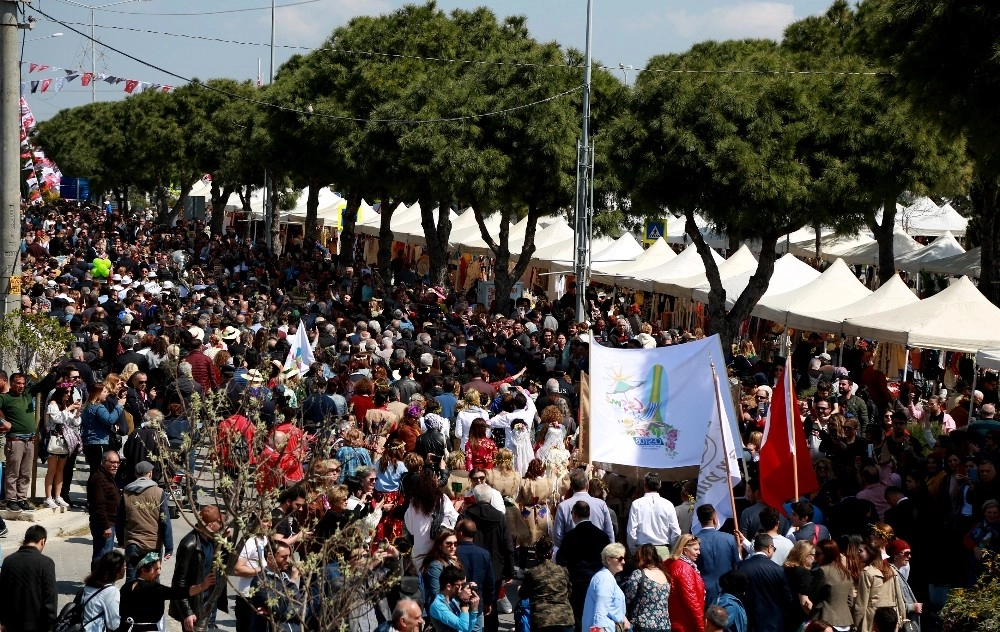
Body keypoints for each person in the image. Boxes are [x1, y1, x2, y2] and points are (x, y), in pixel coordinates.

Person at [170, 505, 228, 632]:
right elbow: (179, 583)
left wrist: (225, 542)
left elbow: (225, 564)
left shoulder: (213, 539)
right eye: (220, 522)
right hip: (195, 607)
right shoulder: (189, 545)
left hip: (211, 603)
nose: (222, 526)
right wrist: (187, 613)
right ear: (211, 525)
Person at [555, 501, 611, 630]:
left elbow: (561, 560)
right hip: (598, 580)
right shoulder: (602, 536)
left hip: (577, 581)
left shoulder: (570, 536)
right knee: (598, 614)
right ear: (589, 514)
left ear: (574, 515)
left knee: (579, 616)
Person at [118, 460, 174, 582]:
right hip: (153, 544)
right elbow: (165, 521)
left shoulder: (127, 493)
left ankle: (130, 601)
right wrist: (169, 546)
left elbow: (120, 519)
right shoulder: (158, 493)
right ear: (150, 473)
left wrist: (121, 540)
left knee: (132, 580)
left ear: (136, 474)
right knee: (153, 578)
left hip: (133, 543)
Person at [0, 525, 57, 632]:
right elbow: (50, 597)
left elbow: (3, 594)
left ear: (25, 540)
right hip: (37, 625)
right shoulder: (46, 563)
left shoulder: (8, 561)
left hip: (12, 625)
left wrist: (3, 622)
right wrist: (51, 625)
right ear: (42, 541)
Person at [0, 373, 43, 511]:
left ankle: (22, 498)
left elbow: (42, 385)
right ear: (11, 383)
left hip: (29, 440)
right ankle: (11, 500)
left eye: (23, 383)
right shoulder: (5, 398)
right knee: (13, 472)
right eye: (18, 383)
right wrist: (3, 421)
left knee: (25, 472)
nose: (21, 386)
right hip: (15, 441)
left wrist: (55, 371)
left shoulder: (27, 395)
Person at [519, 535, 573, 632]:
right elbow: (569, 592)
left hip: (542, 620)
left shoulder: (532, 573)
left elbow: (523, 594)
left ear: (536, 554)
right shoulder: (562, 570)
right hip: (565, 618)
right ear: (552, 553)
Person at [739, 534, 791, 632]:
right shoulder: (778, 570)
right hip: (773, 622)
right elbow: (787, 598)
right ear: (769, 548)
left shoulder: (741, 566)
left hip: (749, 621)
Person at [249, 539, 303, 632]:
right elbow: (279, 608)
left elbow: (303, 609)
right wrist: (293, 581)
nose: (289, 560)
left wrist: (277, 614)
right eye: (284, 557)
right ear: (270, 557)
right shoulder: (261, 581)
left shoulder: (285, 578)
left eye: (289, 556)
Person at [553, 468, 615, 547]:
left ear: (571, 486)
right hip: (597, 554)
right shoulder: (601, 504)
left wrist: (566, 551)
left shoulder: (563, 506)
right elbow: (609, 533)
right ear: (587, 485)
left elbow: (557, 536)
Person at [695, 503, 742, 606]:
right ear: (715, 519)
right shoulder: (729, 539)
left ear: (699, 520)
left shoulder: (693, 542)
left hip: (703, 591)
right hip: (727, 591)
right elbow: (737, 564)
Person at [853, 540, 905, 632]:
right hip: (891, 617)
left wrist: (856, 624)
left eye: (861, 551)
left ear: (870, 553)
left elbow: (861, 603)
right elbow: (899, 597)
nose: (857, 554)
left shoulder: (867, 572)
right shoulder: (891, 570)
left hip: (872, 619)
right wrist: (902, 617)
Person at [43, 383, 81, 508]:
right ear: (60, 393)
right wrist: (69, 409)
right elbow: (57, 419)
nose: (68, 395)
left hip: (65, 441)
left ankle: (58, 496)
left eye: (70, 392)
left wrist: (77, 413)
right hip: (54, 439)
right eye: (66, 392)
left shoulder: (66, 405)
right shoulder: (53, 404)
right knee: (52, 470)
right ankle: (48, 497)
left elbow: (74, 423)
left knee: (61, 470)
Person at [453, 519, 495, 632]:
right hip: (476, 603)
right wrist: (488, 602)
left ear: (460, 533)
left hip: (456, 603)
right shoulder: (484, 554)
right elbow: (489, 582)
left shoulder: (453, 553)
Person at [626, 472, 681, 558]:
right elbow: (676, 531)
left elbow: (631, 531)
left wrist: (633, 550)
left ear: (645, 485)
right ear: (660, 485)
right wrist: (671, 549)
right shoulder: (668, 504)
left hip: (642, 550)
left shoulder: (636, 504)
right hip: (663, 550)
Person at [621, 544, 671, 632]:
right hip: (664, 625)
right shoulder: (665, 575)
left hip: (643, 624)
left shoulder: (639, 574)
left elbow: (627, 598)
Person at [581, 543, 629, 632]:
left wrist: (623, 618)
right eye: (620, 558)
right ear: (608, 560)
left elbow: (610, 606)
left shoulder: (607, 578)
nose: (623, 562)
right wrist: (599, 629)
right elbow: (601, 610)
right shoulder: (604, 579)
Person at [663, 534, 705, 632]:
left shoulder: (679, 565)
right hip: (685, 625)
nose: (699, 552)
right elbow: (691, 602)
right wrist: (701, 628)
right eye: (695, 549)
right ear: (685, 550)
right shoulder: (683, 569)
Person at [80, 381, 124, 473]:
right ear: (97, 393)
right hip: (98, 441)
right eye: (104, 392)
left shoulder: (86, 407)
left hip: (88, 442)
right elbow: (109, 420)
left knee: (93, 469)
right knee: (99, 470)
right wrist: (119, 406)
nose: (106, 394)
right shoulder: (98, 407)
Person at [87, 450, 122, 563]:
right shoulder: (99, 479)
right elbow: (99, 506)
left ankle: (102, 579)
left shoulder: (107, 477)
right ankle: (98, 580)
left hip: (110, 523)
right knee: (102, 557)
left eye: (117, 462)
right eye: (112, 462)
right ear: (104, 462)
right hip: (103, 525)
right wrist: (106, 526)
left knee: (105, 556)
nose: (115, 465)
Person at [813, 539, 855, 631]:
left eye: (817, 553)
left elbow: (813, 595)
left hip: (826, 622)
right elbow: (850, 601)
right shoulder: (846, 572)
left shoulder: (822, 571)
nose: (815, 557)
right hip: (845, 622)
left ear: (827, 554)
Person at [80, 550, 126, 632]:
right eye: (124, 566)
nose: (125, 568)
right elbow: (114, 624)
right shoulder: (111, 591)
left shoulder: (90, 584)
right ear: (117, 571)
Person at [422, 529, 465, 612]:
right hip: (444, 609)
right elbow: (435, 593)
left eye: (455, 544)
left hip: (456, 605)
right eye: (449, 543)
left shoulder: (455, 560)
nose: (453, 547)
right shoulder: (435, 565)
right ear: (440, 545)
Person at [428, 564, 481, 632]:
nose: (463, 589)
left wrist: (474, 609)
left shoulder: (453, 600)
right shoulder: (438, 605)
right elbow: (463, 626)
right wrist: (463, 602)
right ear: (449, 586)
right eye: (461, 585)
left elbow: (467, 629)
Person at [887, 539, 922, 632]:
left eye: (910, 553)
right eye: (906, 553)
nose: (909, 556)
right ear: (895, 555)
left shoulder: (896, 572)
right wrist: (911, 607)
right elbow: (890, 601)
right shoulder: (891, 574)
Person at [783, 541, 817, 631]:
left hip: (784, 616)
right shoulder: (804, 573)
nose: (815, 559)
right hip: (799, 619)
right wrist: (816, 618)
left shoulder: (784, 569)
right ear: (805, 555)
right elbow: (804, 602)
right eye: (814, 555)